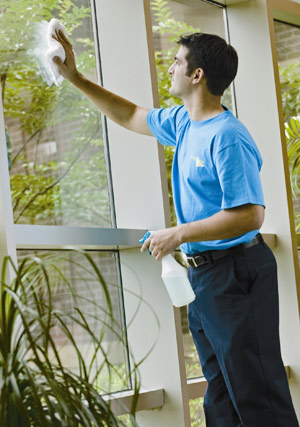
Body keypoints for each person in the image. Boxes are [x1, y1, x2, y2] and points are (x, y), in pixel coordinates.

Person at [52, 29, 299, 426]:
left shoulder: (227, 137)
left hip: (237, 274)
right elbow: (131, 115)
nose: (170, 67)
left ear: (197, 75)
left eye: (177, 61)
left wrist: (177, 233)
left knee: (257, 399)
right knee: (220, 398)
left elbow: (251, 215)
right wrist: (76, 78)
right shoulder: (185, 122)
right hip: (205, 277)